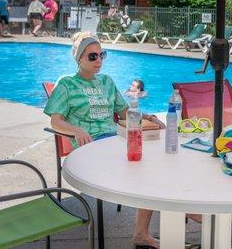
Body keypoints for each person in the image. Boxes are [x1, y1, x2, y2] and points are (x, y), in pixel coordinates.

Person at [44, 32, 165, 248]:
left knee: (155, 165)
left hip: (116, 141)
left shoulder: (107, 82)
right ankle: (203, 222)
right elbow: (56, 122)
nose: (99, 60)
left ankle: (142, 232)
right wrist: (76, 130)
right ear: (79, 58)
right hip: (90, 149)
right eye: (92, 56)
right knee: (149, 173)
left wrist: (146, 117)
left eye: (102, 55)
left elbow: (124, 111)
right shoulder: (67, 84)